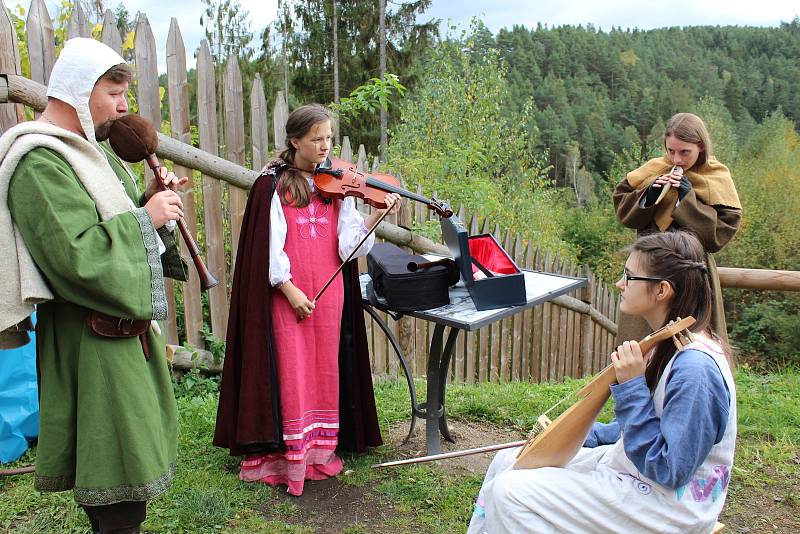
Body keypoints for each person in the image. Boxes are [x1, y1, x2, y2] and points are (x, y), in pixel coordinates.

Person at [0, 38, 188, 533]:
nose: (124, 105)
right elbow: (76, 258)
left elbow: (117, 225)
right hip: (90, 342)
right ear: (79, 89)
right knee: (116, 496)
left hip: (121, 340)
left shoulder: (92, 155)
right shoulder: (40, 162)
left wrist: (148, 202)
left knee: (129, 484)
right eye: (114, 91)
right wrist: (146, 220)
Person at [467, 231, 736, 534]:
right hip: (637, 475)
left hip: (670, 508)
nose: (621, 284)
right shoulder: (669, 343)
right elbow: (645, 427)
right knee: (509, 461)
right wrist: (574, 436)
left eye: (630, 277)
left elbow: (669, 469)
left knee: (510, 493)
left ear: (661, 290)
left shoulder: (696, 369)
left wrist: (632, 387)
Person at [214, 104, 400, 496]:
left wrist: (375, 219)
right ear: (294, 140)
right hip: (288, 296)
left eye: (328, 138)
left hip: (329, 294)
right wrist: (288, 288)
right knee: (290, 370)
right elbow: (269, 247)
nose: (324, 146)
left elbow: (347, 247)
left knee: (322, 369)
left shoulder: (336, 185)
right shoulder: (273, 185)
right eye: (316, 139)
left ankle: (318, 452)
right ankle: (286, 457)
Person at [613, 112, 742, 344]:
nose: (676, 160)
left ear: (700, 147)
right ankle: (639, 378)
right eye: (671, 151)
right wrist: (649, 196)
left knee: (691, 338)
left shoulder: (716, 177)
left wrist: (687, 197)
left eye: (685, 152)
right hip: (648, 265)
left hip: (690, 267)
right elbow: (624, 213)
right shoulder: (654, 169)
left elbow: (718, 236)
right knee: (642, 339)